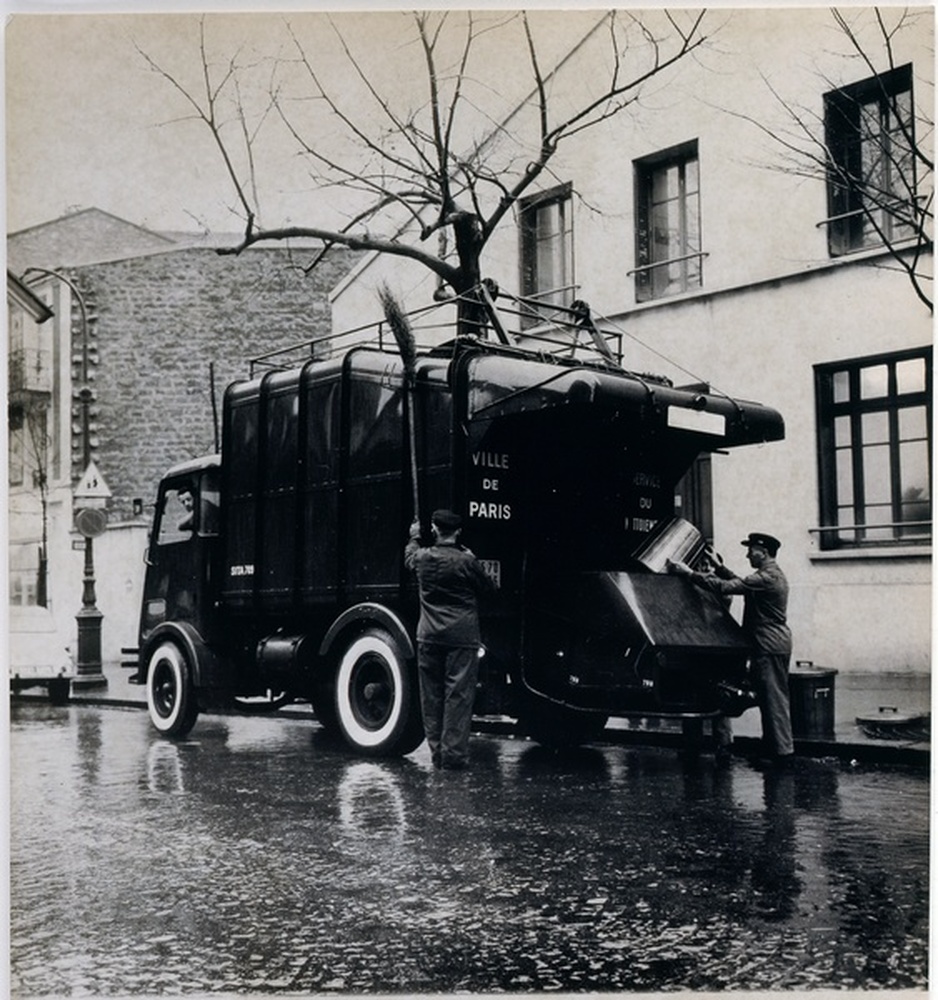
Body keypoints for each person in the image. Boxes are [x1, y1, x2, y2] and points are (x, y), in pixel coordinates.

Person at [670, 532, 794, 769]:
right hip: (769, 643)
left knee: (773, 699)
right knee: (769, 698)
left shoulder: (767, 577)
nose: (748, 554)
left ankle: (782, 755)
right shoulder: (768, 575)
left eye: (751, 550)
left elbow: (727, 587)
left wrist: (688, 573)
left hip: (768, 643)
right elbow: (741, 581)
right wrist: (720, 567)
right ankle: (774, 750)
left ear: (763, 552)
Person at [404, 509, 495, 771]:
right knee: (458, 697)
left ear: (434, 529)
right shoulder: (466, 562)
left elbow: (409, 556)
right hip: (461, 637)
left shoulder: (422, 558)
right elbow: (488, 588)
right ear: (459, 532)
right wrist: (473, 558)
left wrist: (413, 537)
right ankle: (453, 756)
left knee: (431, 698)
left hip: (429, 635)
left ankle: (437, 755)